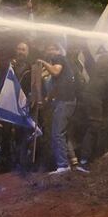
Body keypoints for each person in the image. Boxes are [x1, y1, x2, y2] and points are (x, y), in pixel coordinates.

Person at [37, 43, 81, 174]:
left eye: (52, 49)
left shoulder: (59, 58)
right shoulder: (61, 63)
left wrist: (42, 62)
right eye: (48, 49)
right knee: (62, 132)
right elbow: (56, 86)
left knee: (57, 133)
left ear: (57, 50)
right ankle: (72, 162)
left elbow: (55, 72)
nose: (50, 51)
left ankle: (63, 165)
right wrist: (47, 99)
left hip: (65, 102)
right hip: (65, 101)